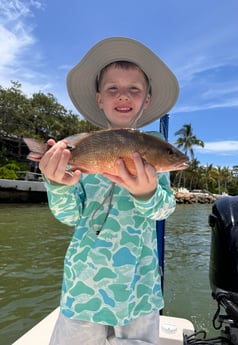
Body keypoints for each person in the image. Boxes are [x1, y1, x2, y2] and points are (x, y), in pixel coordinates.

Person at [39, 37, 179, 345]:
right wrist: (57, 185)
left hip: (139, 288)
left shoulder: (155, 149)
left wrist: (147, 194)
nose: (123, 96)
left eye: (134, 89)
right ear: (100, 98)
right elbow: (69, 215)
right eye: (113, 88)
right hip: (84, 286)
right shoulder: (87, 149)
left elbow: (164, 209)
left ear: (147, 99)